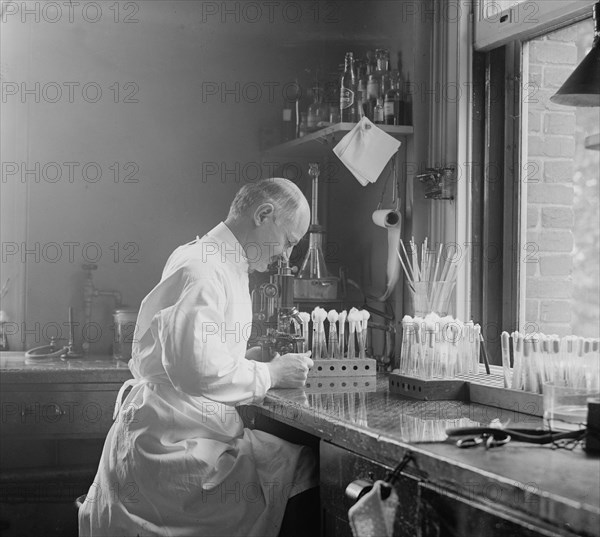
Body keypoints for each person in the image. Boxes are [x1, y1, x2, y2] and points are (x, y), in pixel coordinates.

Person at [79, 178, 318, 537]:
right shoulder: (204, 268)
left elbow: (191, 350)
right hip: (174, 446)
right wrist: (269, 373)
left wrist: (243, 358)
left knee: (290, 464)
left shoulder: (211, 256)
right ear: (263, 214)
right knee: (304, 467)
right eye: (288, 241)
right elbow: (194, 371)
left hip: (178, 429)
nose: (284, 256)